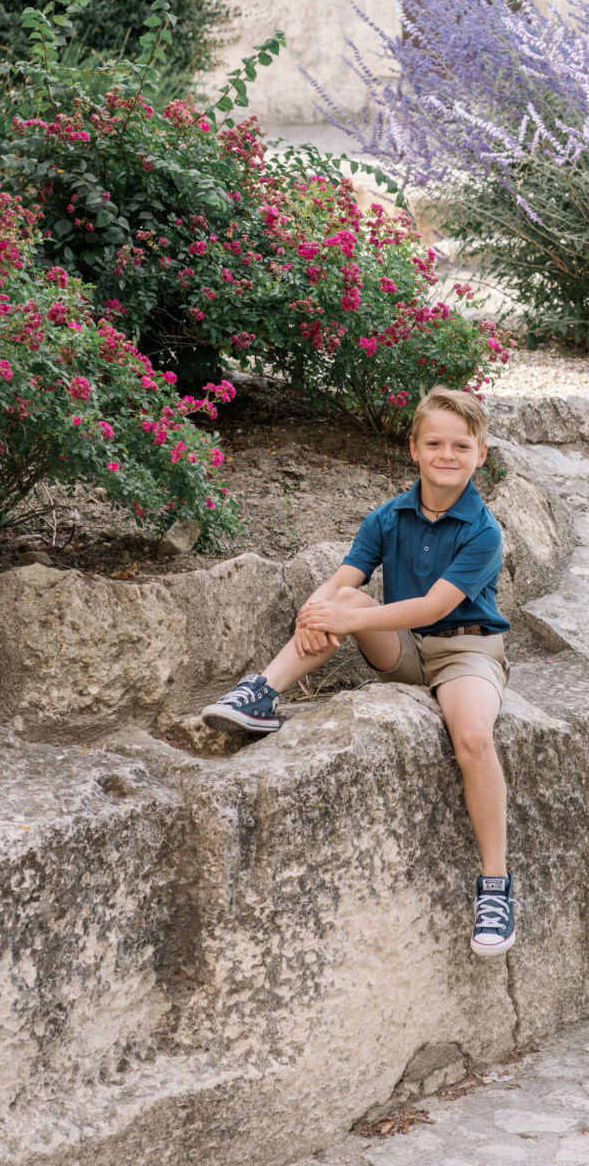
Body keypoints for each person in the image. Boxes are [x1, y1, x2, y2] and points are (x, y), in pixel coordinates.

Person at [200, 386, 517, 956]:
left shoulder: (484, 532)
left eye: (461, 446)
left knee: (472, 736)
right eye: (435, 443)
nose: (448, 455)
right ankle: (260, 694)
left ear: (481, 455)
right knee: (341, 603)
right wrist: (317, 610)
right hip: (402, 651)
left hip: (466, 652)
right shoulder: (388, 516)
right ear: (414, 449)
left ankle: (495, 887)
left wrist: (338, 616)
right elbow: (346, 577)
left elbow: (432, 608)